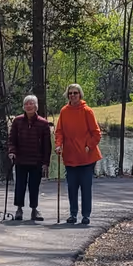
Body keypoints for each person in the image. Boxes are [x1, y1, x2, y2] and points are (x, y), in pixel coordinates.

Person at [54, 83, 102, 225]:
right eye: (70, 93)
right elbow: (59, 132)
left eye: (75, 93)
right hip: (70, 156)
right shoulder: (64, 111)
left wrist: (89, 145)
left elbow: (96, 133)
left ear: (80, 94)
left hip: (87, 157)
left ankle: (86, 215)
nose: (73, 95)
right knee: (72, 187)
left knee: (86, 187)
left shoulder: (87, 111)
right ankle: (73, 214)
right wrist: (58, 145)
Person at [6, 95, 52, 222]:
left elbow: (47, 145)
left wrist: (46, 162)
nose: (29, 106)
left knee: (34, 186)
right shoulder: (17, 121)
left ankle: (34, 210)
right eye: (26, 104)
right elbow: (12, 140)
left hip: (36, 161)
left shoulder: (43, 123)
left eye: (31, 103)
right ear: (23, 106)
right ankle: (19, 209)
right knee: (19, 185)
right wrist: (12, 152)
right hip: (20, 159)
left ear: (36, 106)